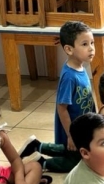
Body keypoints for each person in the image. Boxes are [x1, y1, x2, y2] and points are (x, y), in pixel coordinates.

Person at [19, 21, 96, 173]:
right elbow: (62, 108)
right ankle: (41, 163)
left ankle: (36, 146)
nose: (91, 48)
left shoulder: (80, 67)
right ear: (69, 49)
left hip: (81, 126)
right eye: (85, 44)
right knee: (74, 162)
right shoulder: (69, 76)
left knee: (73, 152)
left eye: (92, 42)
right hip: (71, 127)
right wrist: (70, 135)